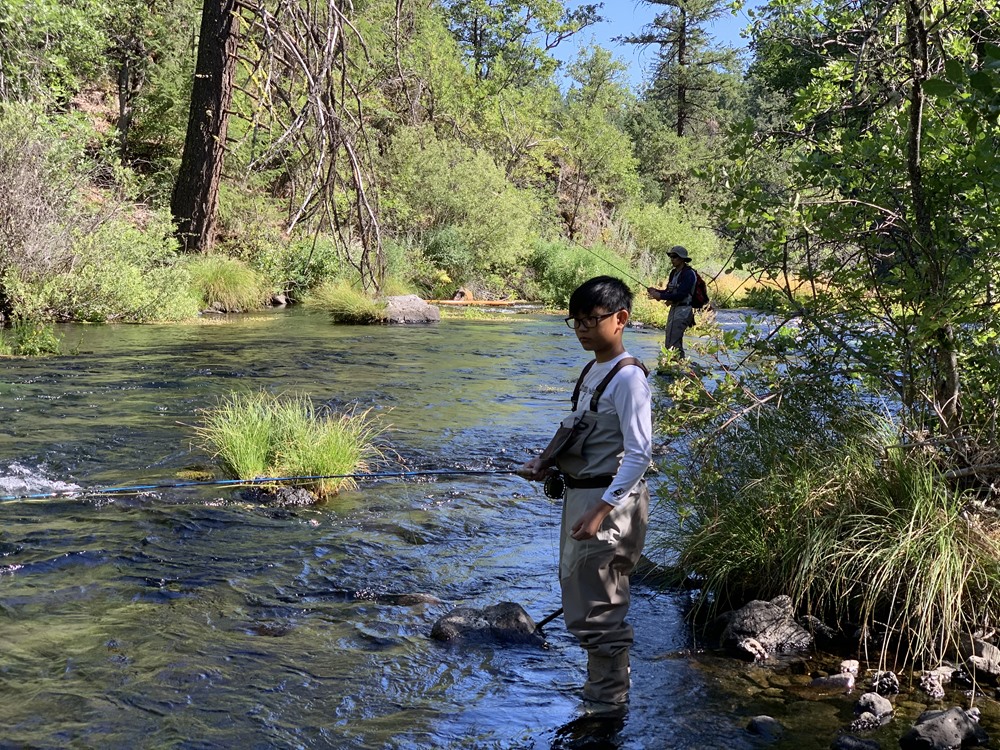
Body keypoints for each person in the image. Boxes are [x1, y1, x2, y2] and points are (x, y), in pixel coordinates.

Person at [519, 275, 653, 715]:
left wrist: (601, 510)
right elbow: (576, 426)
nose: (581, 329)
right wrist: (545, 462)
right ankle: (600, 697)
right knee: (581, 599)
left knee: (600, 610)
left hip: (607, 506)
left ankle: (607, 709)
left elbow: (639, 455)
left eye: (591, 320)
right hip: (585, 498)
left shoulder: (629, 379)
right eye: (574, 320)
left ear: (621, 319)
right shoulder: (593, 370)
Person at [647, 245, 697, 358]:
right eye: (671, 256)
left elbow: (681, 295)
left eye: (674, 257)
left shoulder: (689, 274)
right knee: (670, 338)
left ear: (682, 259)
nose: (672, 259)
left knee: (673, 339)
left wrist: (660, 295)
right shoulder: (673, 273)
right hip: (674, 309)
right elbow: (669, 292)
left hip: (684, 310)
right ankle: (677, 365)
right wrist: (656, 291)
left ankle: (675, 365)